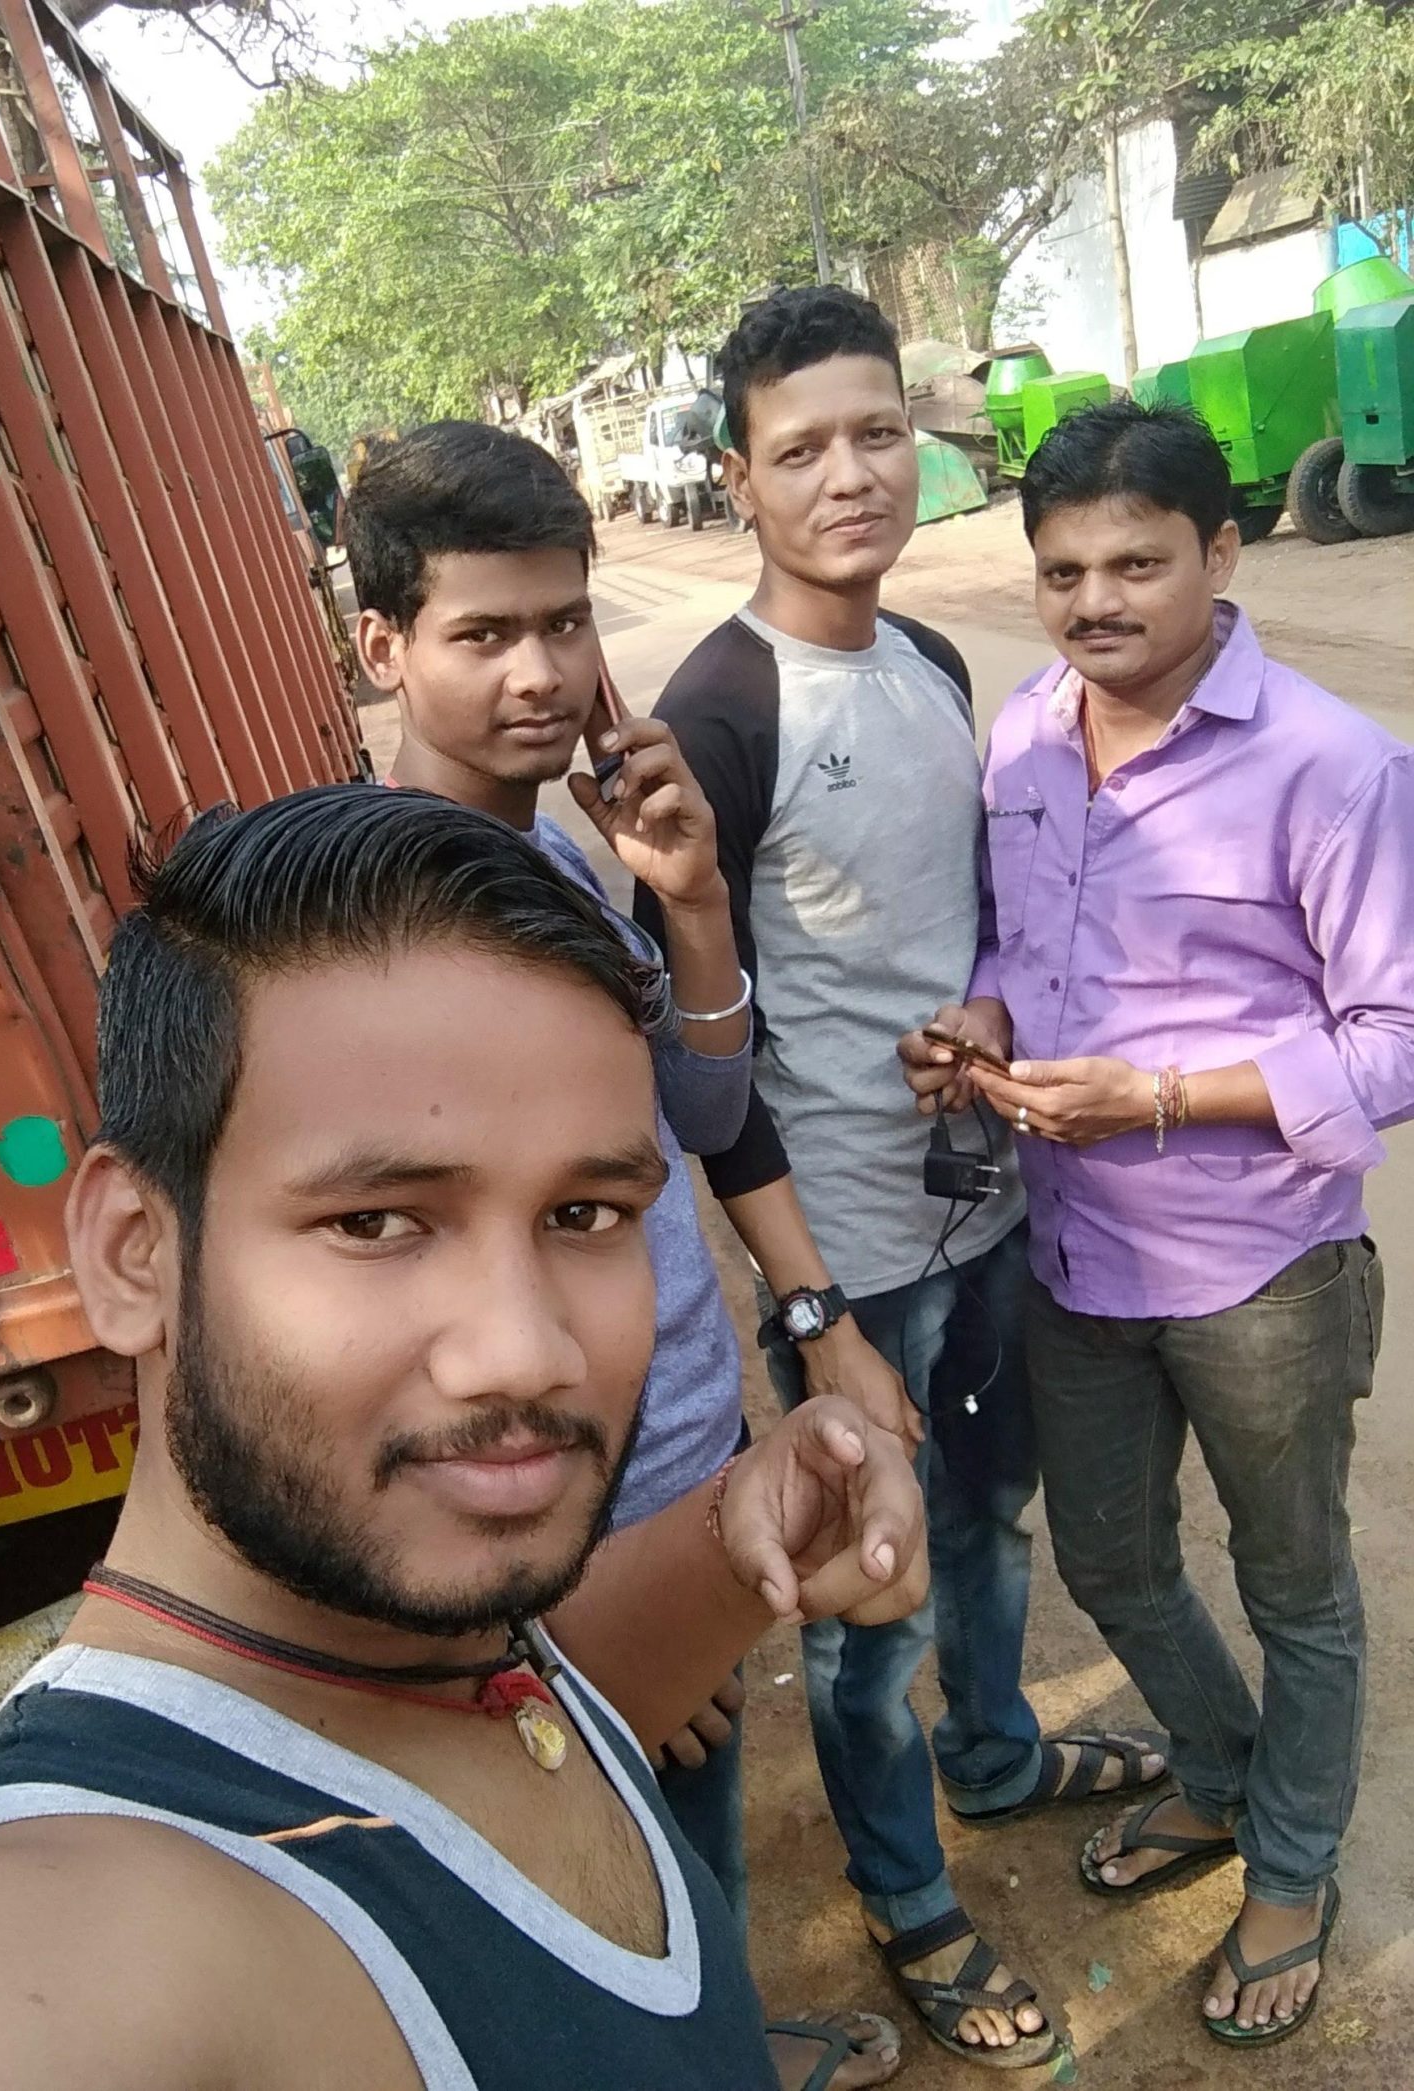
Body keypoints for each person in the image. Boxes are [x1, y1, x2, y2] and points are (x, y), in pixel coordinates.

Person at [0, 788, 929, 2091]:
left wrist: (740, 1523)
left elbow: (531, 1732)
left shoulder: (430, 1638)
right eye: (375, 1223)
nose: (525, 1351)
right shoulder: (60, 1952)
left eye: (586, 1214)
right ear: (135, 1254)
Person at [644, 286, 1167, 2070]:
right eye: (802, 449)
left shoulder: (934, 663)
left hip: (990, 1203)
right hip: (855, 1257)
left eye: (879, 433)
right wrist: (817, 1317)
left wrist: (991, 1018)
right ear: (740, 479)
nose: (852, 475)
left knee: (991, 1522)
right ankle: (905, 1887)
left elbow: (968, 924)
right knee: (876, 1597)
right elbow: (702, 1067)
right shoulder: (722, 714)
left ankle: (999, 1755)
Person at [344, 422, 902, 2084]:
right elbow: (434, 1306)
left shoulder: (557, 859)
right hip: (563, 1540)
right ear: (382, 648)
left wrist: (696, 905)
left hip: (679, 1474)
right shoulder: (394, 924)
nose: (539, 674)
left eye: (565, 624)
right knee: (603, 1897)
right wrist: (567, 1602)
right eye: (483, 633)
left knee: (682, 1865)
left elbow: (698, 1114)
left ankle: (717, 2043)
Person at [901, 397, 1412, 2048]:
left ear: (1222, 554)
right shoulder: (1027, 734)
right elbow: (1013, 935)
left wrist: (1164, 1097)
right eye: (1063, 572)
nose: (1095, 601)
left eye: (1136, 564)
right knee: (1110, 1559)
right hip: (1073, 1251)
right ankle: (1223, 1772)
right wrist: (984, 1017)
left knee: (1295, 1588)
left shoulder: (1331, 765)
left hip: (1261, 1266)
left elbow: (1397, 1036)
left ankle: (1292, 1870)